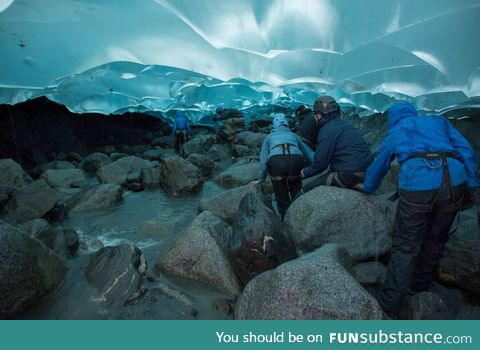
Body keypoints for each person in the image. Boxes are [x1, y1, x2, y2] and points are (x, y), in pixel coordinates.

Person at [360, 101, 479, 317]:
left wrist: (368, 187)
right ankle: (420, 286)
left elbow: (382, 161)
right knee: (437, 238)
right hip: (453, 181)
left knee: (405, 245)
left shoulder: (398, 129)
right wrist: (471, 184)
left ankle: (390, 303)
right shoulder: (438, 120)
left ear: (393, 118)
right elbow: (465, 149)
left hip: (418, 184)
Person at [300, 96, 373, 192]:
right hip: (368, 171)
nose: (315, 117)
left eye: (316, 114)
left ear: (321, 115)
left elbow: (320, 163)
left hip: (350, 173)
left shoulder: (327, 130)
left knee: (306, 189)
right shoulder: (344, 125)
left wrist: (305, 172)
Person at [253, 115, 314, 220]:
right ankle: (300, 216)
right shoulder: (294, 136)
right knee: (296, 190)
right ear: (287, 125)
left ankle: (285, 218)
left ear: (274, 126)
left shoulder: (269, 137)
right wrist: (317, 167)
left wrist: (261, 179)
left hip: (276, 164)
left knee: (281, 195)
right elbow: (309, 154)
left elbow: (264, 160)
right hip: (296, 162)